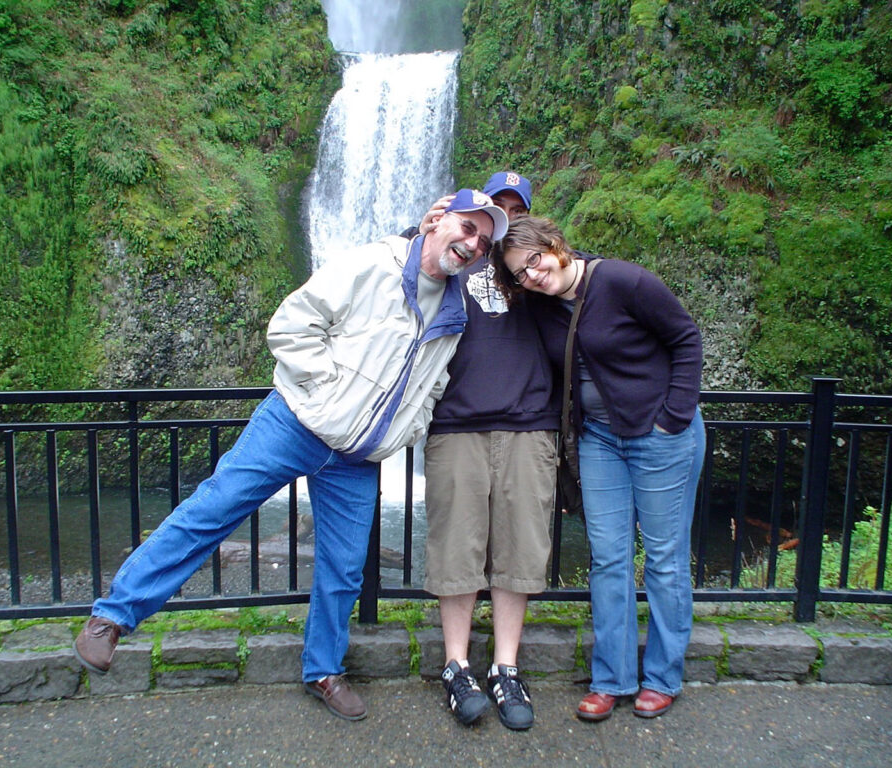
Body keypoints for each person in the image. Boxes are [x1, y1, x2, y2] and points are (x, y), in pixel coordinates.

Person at [73, 189, 509, 722]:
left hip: (358, 457)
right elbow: (291, 325)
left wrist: (403, 430)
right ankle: (112, 617)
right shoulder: (371, 263)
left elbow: (433, 383)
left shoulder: (455, 311)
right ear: (438, 219)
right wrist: (327, 398)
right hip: (295, 423)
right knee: (211, 511)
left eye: (484, 243)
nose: (472, 244)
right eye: (467, 228)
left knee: (344, 569)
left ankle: (323, 670)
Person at [492, 216, 705, 722]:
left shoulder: (624, 281)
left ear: (554, 245)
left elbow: (686, 339)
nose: (532, 277)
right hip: (599, 441)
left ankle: (662, 677)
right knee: (608, 559)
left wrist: (672, 417)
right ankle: (611, 678)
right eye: (520, 274)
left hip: (659, 436)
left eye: (535, 261)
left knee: (665, 559)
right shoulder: (542, 309)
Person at [409, 172, 559, 731]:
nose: (508, 214)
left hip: (528, 425)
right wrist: (424, 222)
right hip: (456, 424)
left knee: (520, 550)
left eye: (518, 208)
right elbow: (406, 264)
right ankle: (455, 665)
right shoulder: (453, 256)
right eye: (499, 206)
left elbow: (575, 270)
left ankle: (505, 666)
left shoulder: (534, 273)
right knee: (456, 549)